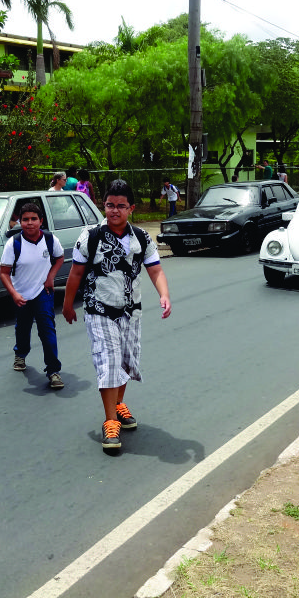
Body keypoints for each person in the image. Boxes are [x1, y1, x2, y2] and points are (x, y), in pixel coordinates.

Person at [62, 179, 172, 453]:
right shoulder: (90, 236)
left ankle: (118, 404)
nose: (114, 211)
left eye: (121, 206)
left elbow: (155, 269)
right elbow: (75, 273)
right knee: (109, 360)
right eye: (110, 205)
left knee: (125, 360)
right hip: (99, 309)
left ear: (131, 208)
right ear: (103, 205)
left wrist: (164, 294)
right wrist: (66, 304)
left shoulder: (142, 238)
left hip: (131, 311)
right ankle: (110, 422)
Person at [0, 203, 65, 389]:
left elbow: (59, 258)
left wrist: (51, 277)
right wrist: (14, 294)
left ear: (41, 221)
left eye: (34, 219)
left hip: (43, 293)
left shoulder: (50, 240)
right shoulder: (14, 244)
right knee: (23, 327)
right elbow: (4, 272)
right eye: (25, 219)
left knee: (47, 331)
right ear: (20, 222)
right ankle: (20, 354)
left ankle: (53, 371)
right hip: (21, 295)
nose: (30, 223)